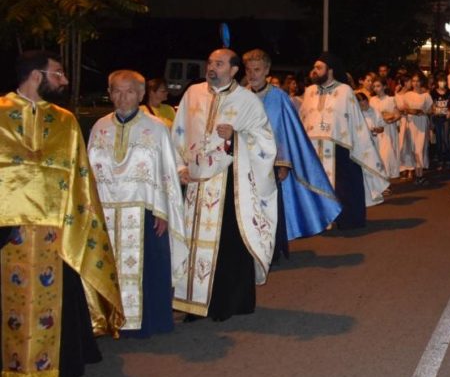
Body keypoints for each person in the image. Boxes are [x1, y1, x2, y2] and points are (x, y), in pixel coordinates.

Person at [0, 51, 123, 377]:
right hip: (6, 231)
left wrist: (80, 223)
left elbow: (80, 177)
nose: (65, 80)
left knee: (55, 300)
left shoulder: (66, 121)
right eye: (58, 73)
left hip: (56, 230)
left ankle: (56, 368)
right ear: (36, 76)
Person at [171, 49, 278, 321]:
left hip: (231, 183)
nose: (212, 68)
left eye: (219, 64)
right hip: (196, 183)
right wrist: (180, 167)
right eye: (210, 63)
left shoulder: (247, 101)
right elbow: (178, 133)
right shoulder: (192, 94)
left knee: (228, 244)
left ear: (233, 70)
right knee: (193, 241)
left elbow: (265, 142)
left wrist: (235, 137)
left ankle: (227, 303)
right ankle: (193, 303)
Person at [88, 70, 186, 337]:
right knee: (109, 265)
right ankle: (111, 320)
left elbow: (167, 172)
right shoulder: (100, 127)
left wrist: (163, 211)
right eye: (117, 91)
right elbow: (90, 172)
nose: (123, 98)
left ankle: (149, 324)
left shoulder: (157, 127)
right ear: (110, 94)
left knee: (149, 267)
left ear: (141, 94)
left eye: (129, 91)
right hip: (107, 209)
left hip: (146, 210)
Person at [242, 49, 340, 263]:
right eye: (248, 70)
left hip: (272, 164)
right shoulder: (241, 96)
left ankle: (272, 249)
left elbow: (287, 131)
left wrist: (284, 163)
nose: (252, 74)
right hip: (246, 162)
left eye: (257, 70)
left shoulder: (279, 97)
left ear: (266, 70)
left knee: (271, 208)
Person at [300, 52, 389, 229]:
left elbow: (355, 121)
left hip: (339, 145)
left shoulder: (344, 91)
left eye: (319, 67)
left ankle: (346, 220)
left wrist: (359, 145)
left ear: (330, 70)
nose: (315, 71)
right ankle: (318, 220)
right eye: (314, 67)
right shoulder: (309, 92)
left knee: (344, 185)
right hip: (313, 147)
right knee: (314, 183)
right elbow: (303, 117)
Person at [396, 72, 433, 186]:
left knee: (420, 148)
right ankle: (417, 174)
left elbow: (431, 110)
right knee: (413, 149)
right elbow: (403, 109)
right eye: (413, 81)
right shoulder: (407, 95)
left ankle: (420, 175)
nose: (415, 83)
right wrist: (411, 111)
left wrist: (423, 111)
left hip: (422, 122)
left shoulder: (426, 95)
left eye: (417, 81)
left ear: (421, 82)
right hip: (411, 123)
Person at [370, 78, 402, 181]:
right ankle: (381, 179)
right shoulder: (372, 100)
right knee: (378, 153)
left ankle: (387, 178)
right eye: (374, 86)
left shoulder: (390, 99)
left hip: (388, 130)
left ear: (384, 86)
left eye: (378, 86)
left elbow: (398, 115)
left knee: (387, 154)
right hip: (376, 130)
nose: (376, 88)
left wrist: (390, 120)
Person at [429, 72, 450, 169]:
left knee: (446, 138)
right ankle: (440, 160)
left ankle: (448, 159)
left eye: (443, 81)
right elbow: (431, 105)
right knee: (439, 139)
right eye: (440, 81)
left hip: (446, 118)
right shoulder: (433, 93)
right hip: (437, 118)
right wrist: (434, 111)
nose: (442, 83)